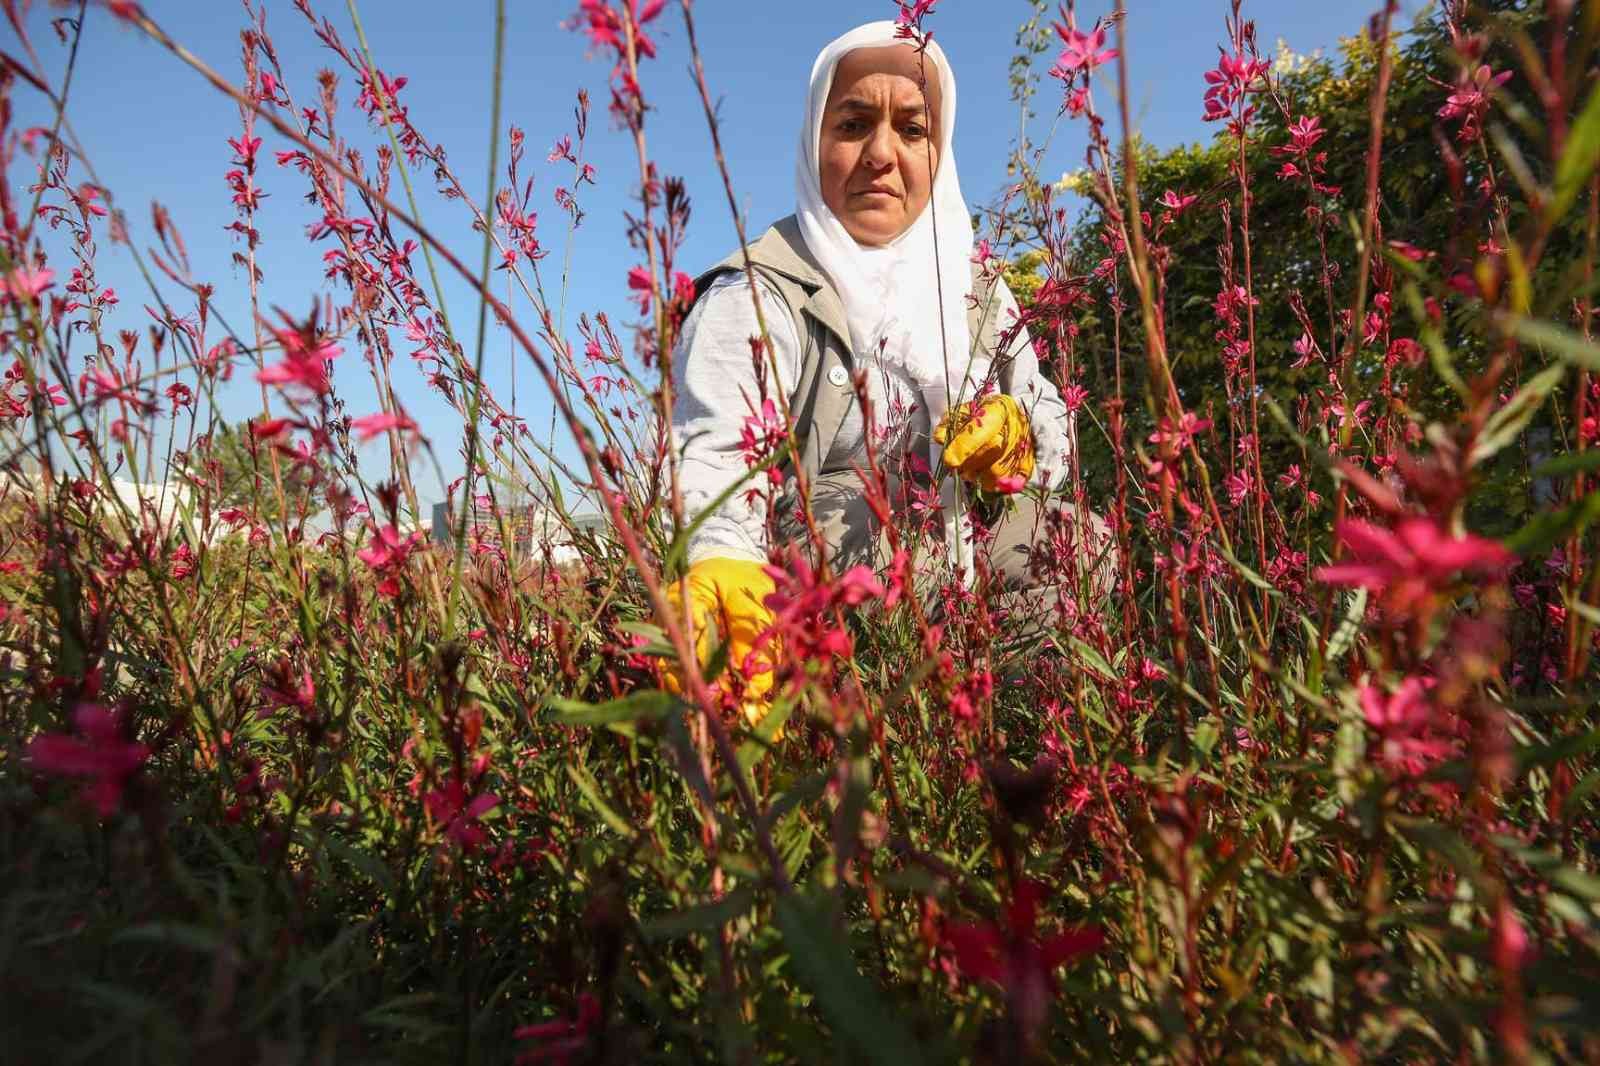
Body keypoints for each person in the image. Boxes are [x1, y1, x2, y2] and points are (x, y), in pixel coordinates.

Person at [666, 21, 1110, 718]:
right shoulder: (758, 289)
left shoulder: (976, 286)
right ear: (815, 142)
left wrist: (1021, 434)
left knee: (1081, 547)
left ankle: (1003, 747)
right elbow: (715, 454)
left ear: (940, 151)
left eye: (912, 129)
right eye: (852, 124)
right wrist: (722, 561)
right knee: (863, 523)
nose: (881, 153)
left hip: (958, 538)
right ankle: (882, 725)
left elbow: (1053, 422)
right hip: (825, 571)